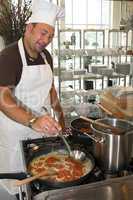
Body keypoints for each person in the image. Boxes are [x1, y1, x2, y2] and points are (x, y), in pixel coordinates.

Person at [0, 0, 65, 195]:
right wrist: (33, 120)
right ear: (29, 28)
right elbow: (2, 97)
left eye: (51, 36)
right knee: (18, 185)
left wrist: (60, 114)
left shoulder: (46, 56)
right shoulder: (8, 57)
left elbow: (50, 88)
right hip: (16, 131)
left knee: (41, 180)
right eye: (43, 32)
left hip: (42, 127)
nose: (46, 40)